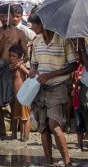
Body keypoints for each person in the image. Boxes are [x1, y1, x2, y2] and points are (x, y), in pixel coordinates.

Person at [28, 13, 77, 166]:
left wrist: (51, 75)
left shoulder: (63, 39)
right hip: (41, 88)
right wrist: (32, 69)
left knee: (54, 126)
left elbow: (73, 65)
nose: (32, 28)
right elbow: (34, 63)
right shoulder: (37, 42)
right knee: (43, 128)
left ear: (42, 24)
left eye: (34, 25)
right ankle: (49, 162)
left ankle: (67, 162)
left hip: (58, 88)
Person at [0, 4, 28, 139]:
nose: (5, 18)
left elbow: (27, 54)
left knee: (13, 102)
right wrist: (4, 41)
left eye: (7, 15)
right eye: (2, 16)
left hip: (13, 70)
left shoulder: (20, 33)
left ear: (12, 16)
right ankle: (2, 130)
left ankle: (14, 132)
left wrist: (20, 62)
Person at [8, 44, 30, 141]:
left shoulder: (20, 65)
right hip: (17, 95)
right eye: (10, 56)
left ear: (20, 57)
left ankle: (26, 136)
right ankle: (20, 135)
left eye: (14, 56)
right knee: (19, 116)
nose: (11, 58)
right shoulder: (13, 66)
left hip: (23, 95)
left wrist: (20, 65)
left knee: (25, 117)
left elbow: (29, 74)